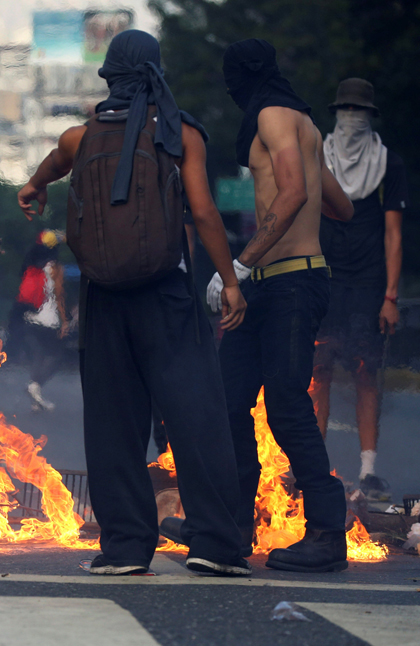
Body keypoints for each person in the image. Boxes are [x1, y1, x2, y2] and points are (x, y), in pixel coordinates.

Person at [18, 30, 250, 576]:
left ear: (109, 77)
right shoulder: (179, 134)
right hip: (165, 294)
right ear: (155, 73)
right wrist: (230, 281)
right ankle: (216, 545)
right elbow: (204, 212)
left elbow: (52, 165)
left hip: (103, 297)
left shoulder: (81, 137)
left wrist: (33, 188)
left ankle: (124, 548)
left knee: (113, 422)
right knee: (197, 416)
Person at [210, 39, 354, 572]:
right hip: (270, 284)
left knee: (288, 406)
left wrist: (241, 264)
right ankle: (230, 526)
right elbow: (340, 206)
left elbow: (292, 192)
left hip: (292, 283)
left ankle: (326, 536)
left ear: (241, 78)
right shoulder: (304, 125)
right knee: (228, 399)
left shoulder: (272, 115)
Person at [311, 78, 408, 501]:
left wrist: (390, 296)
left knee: (368, 374)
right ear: (336, 114)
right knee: (318, 373)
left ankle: (368, 469)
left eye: (360, 112)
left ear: (370, 117)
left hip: (367, 282)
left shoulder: (388, 164)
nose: (353, 119)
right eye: (346, 111)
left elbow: (393, 233)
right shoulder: (319, 157)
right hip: (324, 276)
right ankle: (310, 466)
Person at [9, 230, 70, 412]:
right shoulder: (55, 267)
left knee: (38, 356)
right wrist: (65, 321)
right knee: (57, 356)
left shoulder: (30, 265)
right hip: (47, 321)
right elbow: (59, 296)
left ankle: (36, 399)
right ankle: (34, 386)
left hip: (29, 317)